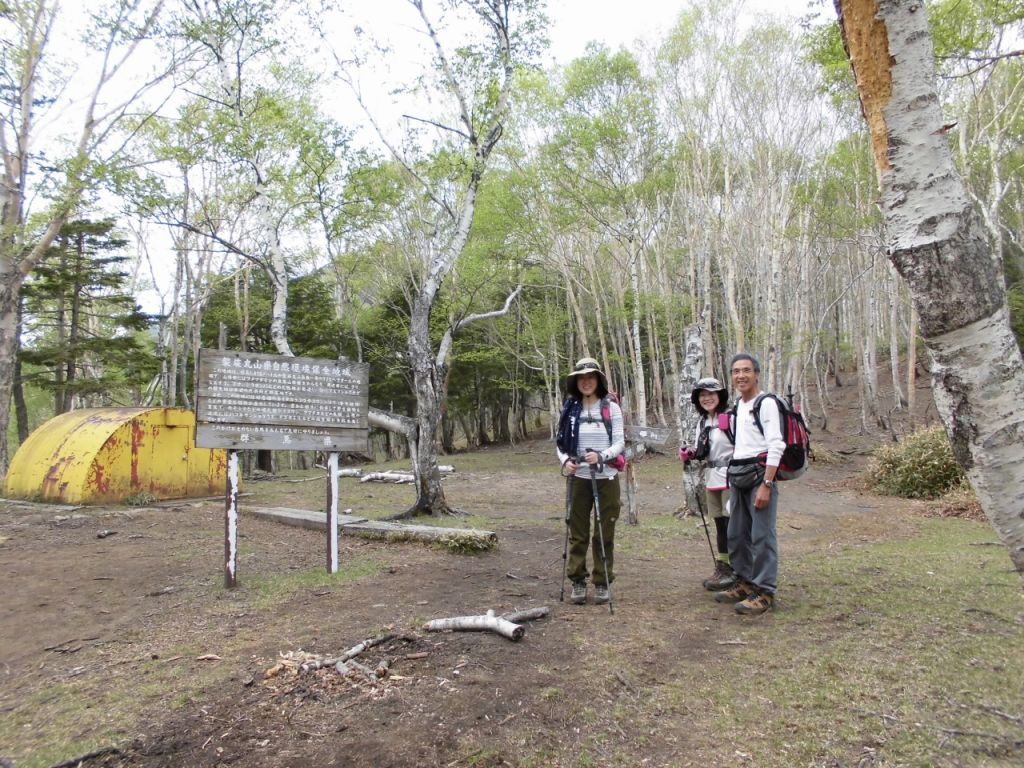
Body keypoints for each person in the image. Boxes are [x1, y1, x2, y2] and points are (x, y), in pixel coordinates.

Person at [714, 352, 786, 615]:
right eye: (735, 371)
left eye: (746, 370)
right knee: (736, 533)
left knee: (762, 535)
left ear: (756, 373)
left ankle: (765, 590)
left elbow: (776, 444)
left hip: (760, 476)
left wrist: (767, 483)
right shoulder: (737, 406)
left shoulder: (765, 403)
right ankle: (745, 582)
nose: (741, 376)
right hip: (739, 475)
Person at [555, 357, 626, 605]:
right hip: (578, 478)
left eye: (591, 377)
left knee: (604, 531)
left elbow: (619, 442)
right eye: (581, 378)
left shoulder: (611, 408)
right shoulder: (570, 408)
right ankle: (577, 580)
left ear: (598, 380)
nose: (586, 382)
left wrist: (601, 456)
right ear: (576, 382)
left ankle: (602, 582)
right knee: (577, 531)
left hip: (606, 476)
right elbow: (561, 444)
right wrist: (565, 461)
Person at [678, 377, 735, 592]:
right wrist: (689, 453)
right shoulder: (703, 422)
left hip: (732, 478)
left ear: (720, 395)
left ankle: (738, 569)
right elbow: (700, 449)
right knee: (720, 524)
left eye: (711, 394)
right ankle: (723, 567)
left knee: (733, 526)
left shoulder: (730, 417)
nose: (707, 398)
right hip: (712, 478)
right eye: (702, 395)